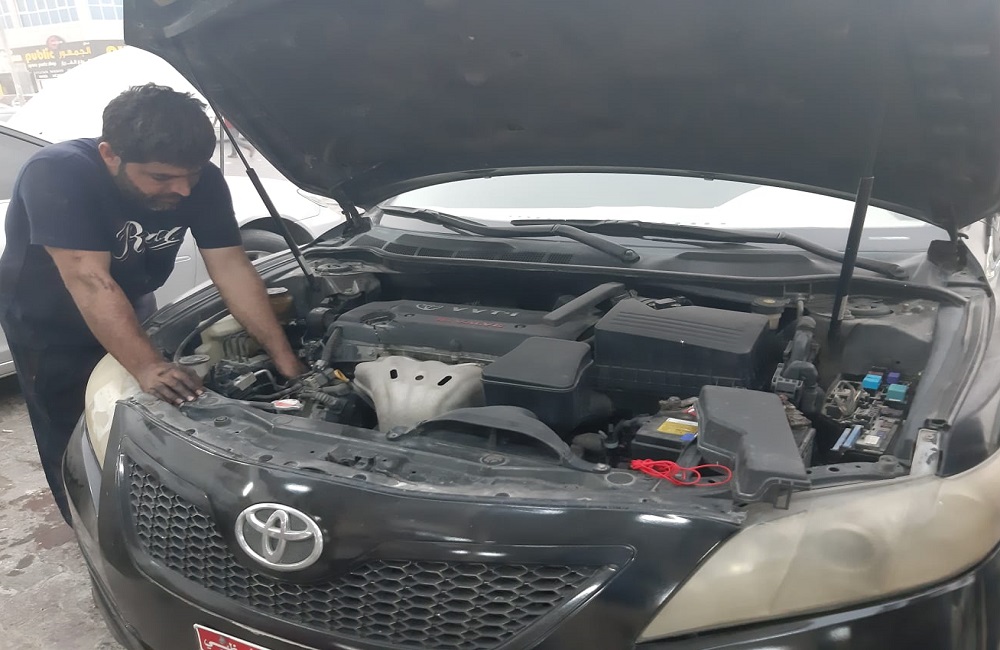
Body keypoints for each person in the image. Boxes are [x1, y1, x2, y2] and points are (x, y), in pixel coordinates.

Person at [0, 83, 305, 524]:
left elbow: (231, 267)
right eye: (161, 178)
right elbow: (89, 280)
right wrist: (147, 366)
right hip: (49, 323)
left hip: (130, 301)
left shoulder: (201, 182)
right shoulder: (58, 172)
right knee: (72, 429)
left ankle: (159, 520)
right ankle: (88, 526)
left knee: (147, 416)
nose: (182, 190)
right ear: (110, 155)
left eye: (191, 175)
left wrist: (285, 359)